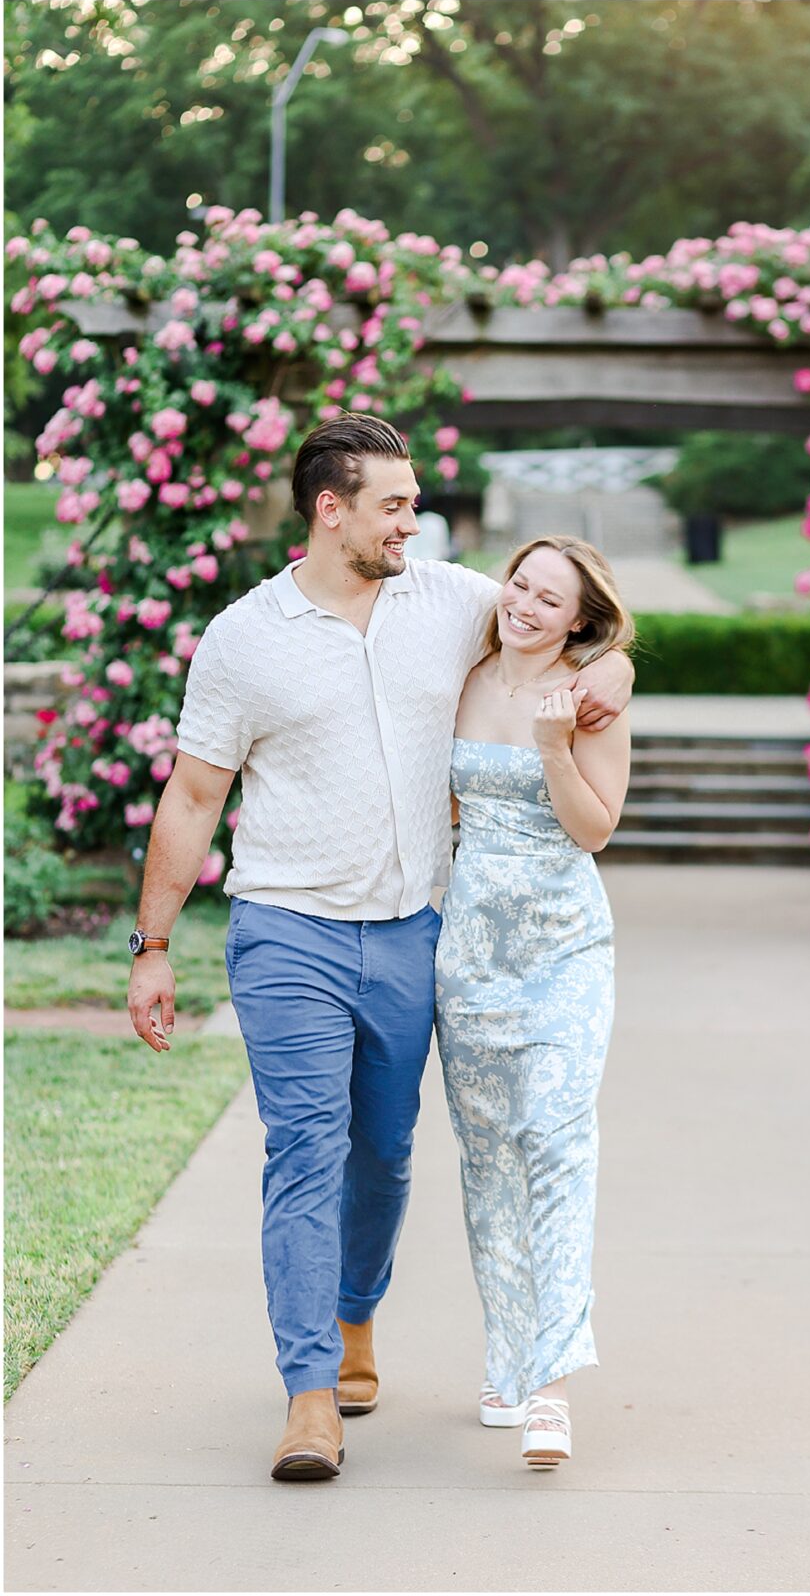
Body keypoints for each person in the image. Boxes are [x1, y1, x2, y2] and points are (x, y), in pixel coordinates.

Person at [125, 413, 632, 1482]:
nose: (413, 519)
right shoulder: (243, 637)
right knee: (303, 1147)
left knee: (385, 1151)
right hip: (286, 929)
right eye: (394, 503)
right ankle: (311, 1397)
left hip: (412, 936)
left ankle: (354, 1314)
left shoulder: (448, 601)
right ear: (330, 508)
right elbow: (194, 792)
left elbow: (572, 627)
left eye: (413, 504)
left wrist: (614, 678)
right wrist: (153, 943)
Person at [435, 535, 632, 1467]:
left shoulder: (589, 698)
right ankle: (506, 1352)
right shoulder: (461, 673)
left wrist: (555, 744)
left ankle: (550, 1385)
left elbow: (594, 830)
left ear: (579, 622)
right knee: (486, 1164)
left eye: (550, 600)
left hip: (563, 952)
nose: (525, 604)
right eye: (520, 583)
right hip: (469, 955)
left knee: (555, 1147)